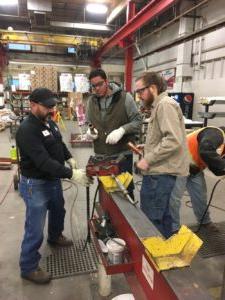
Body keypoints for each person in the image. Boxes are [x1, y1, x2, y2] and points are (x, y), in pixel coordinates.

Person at [16, 88, 91, 284]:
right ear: (33, 105)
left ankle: (55, 236)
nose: (51, 109)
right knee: (35, 226)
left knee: (59, 210)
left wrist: (70, 158)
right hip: (36, 184)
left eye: (53, 105)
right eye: (47, 106)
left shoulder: (49, 122)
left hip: (53, 180)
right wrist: (72, 174)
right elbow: (43, 162)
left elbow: (59, 143)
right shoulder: (27, 130)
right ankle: (28, 267)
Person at [135, 72, 189, 238]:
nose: (139, 96)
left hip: (160, 173)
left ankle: (153, 256)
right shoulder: (159, 105)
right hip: (161, 171)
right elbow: (164, 135)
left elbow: (173, 140)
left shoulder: (165, 105)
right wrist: (147, 146)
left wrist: (148, 159)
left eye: (141, 91)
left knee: (152, 217)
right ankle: (164, 252)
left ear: (153, 88)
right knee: (163, 214)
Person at [86, 69, 142, 199]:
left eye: (100, 84)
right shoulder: (91, 102)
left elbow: (138, 121)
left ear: (106, 81)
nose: (97, 89)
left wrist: (122, 130)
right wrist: (90, 131)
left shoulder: (124, 98)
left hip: (121, 156)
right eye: (93, 86)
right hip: (101, 157)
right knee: (105, 194)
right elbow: (89, 123)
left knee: (125, 192)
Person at [170, 126, 225, 233]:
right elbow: (205, 151)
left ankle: (205, 221)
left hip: (195, 168)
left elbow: (215, 167)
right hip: (179, 163)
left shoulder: (221, 145)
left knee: (200, 195)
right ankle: (173, 228)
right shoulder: (216, 133)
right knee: (175, 198)